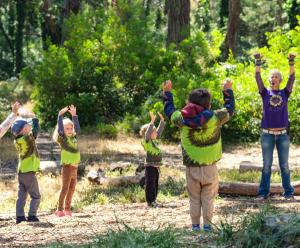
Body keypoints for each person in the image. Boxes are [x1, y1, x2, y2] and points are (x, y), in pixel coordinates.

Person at [162, 79, 235, 231]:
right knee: (208, 198)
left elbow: (169, 111)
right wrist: (227, 91)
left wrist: (167, 94)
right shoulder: (215, 117)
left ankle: (195, 226)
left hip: (192, 168)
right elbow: (230, 109)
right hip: (210, 167)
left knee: (194, 198)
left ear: (189, 103)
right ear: (208, 105)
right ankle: (207, 226)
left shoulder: (181, 119)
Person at [254, 53, 296, 200]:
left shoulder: (285, 93)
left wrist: (291, 62)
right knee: (266, 166)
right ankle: (263, 193)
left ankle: (289, 193)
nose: (273, 79)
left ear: (280, 80)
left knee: (284, 165)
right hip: (267, 135)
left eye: (276, 77)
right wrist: (258, 62)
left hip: (283, 135)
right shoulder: (265, 93)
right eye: (272, 77)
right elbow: (258, 78)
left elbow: (292, 78)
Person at [11, 111, 41, 224]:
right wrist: (35, 118)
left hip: (22, 171)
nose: (30, 126)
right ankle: (32, 216)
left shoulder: (18, 140)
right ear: (24, 130)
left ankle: (20, 217)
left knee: (22, 196)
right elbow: (36, 130)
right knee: (36, 196)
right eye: (28, 125)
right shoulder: (27, 139)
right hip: (28, 172)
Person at [53, 105, 80, 217]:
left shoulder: (74, 137)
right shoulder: (63, 139)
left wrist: (74, 116)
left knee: (72, 189)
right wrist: (60, 115)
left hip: (75, 167)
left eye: (70, 128)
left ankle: (67, 209)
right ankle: (59, 210)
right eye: (66, 129)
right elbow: (60, 128)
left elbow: (77, 128)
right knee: (65, 188)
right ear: (62, 131)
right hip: (67, 167)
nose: (69, 130)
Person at [140, 112, 165, 208]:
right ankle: (150, 202)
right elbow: (147, 134)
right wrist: (152, 122)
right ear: (149, 134)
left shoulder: (155, 140)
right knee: (150, 184)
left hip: (156, 166)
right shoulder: (147, 141)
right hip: (149, 166)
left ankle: (154, 200)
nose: (156, 133)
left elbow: (159, 131)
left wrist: (162, 121)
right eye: (154, 132)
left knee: (155, 183)